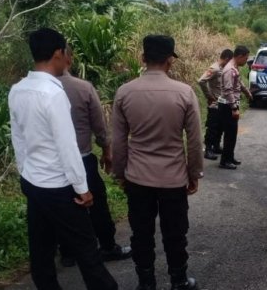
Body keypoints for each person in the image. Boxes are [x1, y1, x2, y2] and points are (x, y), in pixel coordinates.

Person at [9, 28, 118, 290]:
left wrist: (26, 174)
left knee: (41, 247)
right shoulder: (53, 93)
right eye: (64, 53)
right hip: (60, 187)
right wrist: (83, 188)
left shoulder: (18, 89)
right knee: (86, 247)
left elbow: (19, 139)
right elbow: (67, 146)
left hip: (34, 183)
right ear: (58, 53)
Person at [112, 35, 203, 290]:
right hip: (173, 178)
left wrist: (120, 173)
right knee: (175, 233)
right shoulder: (184, 93)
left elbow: (118, 142)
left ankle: (146, 282)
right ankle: (178, 280)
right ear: (170, 61)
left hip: (138, 177)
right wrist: (194, 173)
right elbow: (195, 141)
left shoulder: (124, 92)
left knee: (141, 234)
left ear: (143, 58)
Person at [57, 46, 132, 267]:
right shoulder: (82, 87)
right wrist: (107, 152)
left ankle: (68, 252)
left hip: (52, 164)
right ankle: (108, 246)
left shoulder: (34, 90)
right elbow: (99, 126)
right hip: (82, 157)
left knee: (63, 204)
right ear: (68, 59)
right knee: (97, 203)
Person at [218, 45, 253, 170]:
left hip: (230, 104)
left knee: (232, 134)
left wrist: (246, 92)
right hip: (227, 105)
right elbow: (228, 90)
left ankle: (229, 157)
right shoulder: (229, 69)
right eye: (246, 58)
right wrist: (234, 108)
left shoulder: (234, 67)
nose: (246, 61)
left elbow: (238, 83)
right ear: (239, 56)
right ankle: (225, 161)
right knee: (229, 134)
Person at [198, 49, 234, 160]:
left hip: (222, 103)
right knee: (212, 127)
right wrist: (209, 96)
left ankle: (216, 146)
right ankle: (208, 149)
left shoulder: (223, 69)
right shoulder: (215, 68)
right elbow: (201, 81)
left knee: (220, 127)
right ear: (227, 58)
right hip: (215, 104)